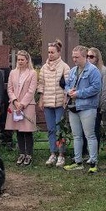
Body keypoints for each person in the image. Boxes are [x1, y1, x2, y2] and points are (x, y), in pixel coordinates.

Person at [63, 45, 102, 173]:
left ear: (84, 57)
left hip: (87, 107)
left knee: (90, 135)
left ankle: (93, 162)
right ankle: (78, 161)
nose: (74, 59)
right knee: (76, 136)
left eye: (77, 57)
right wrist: (69, 91)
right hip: (73, 107)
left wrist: (79, 93)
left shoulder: (93, 71)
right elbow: (67, 84)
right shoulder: (73, 70)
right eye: (73, 57)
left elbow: (96, 88)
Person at [37, 39, 70, 167]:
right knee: (50, 129)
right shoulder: (44, 68)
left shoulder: (64, 67)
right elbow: (41, 84)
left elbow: (68, 84)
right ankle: (52, 153)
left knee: (59, 129)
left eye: (52, 52)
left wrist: (65, 100)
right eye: (48, 52)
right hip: (48, 102)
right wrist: (41, 99)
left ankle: (61, 154)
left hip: (60, 102)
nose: (50, 54)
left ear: (58, 52)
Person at [5, 50, 38, 165]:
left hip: (27, 105)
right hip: (15, 104)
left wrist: (22, 104)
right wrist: (15, 101)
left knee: (27, 130)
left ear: (27, 60)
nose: (20, 62)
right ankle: (21, 153)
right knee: (18, 129)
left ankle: (29, 154)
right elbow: (10, 88)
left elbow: (31, 90)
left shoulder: (32, 73)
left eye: (22, 60)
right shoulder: (13, 73)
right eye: (18, 59)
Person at [84, 47, 106, 163]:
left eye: (91, 56)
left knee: (94, 131)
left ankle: (94, 154)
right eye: (87, 56)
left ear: (97, 58)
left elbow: (105, 90)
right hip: (86, 105)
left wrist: (103, 107)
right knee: (86, 130)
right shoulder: (85, 69)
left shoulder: (102, 70)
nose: (89, 59)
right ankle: (86, 153)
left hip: (97, 105)